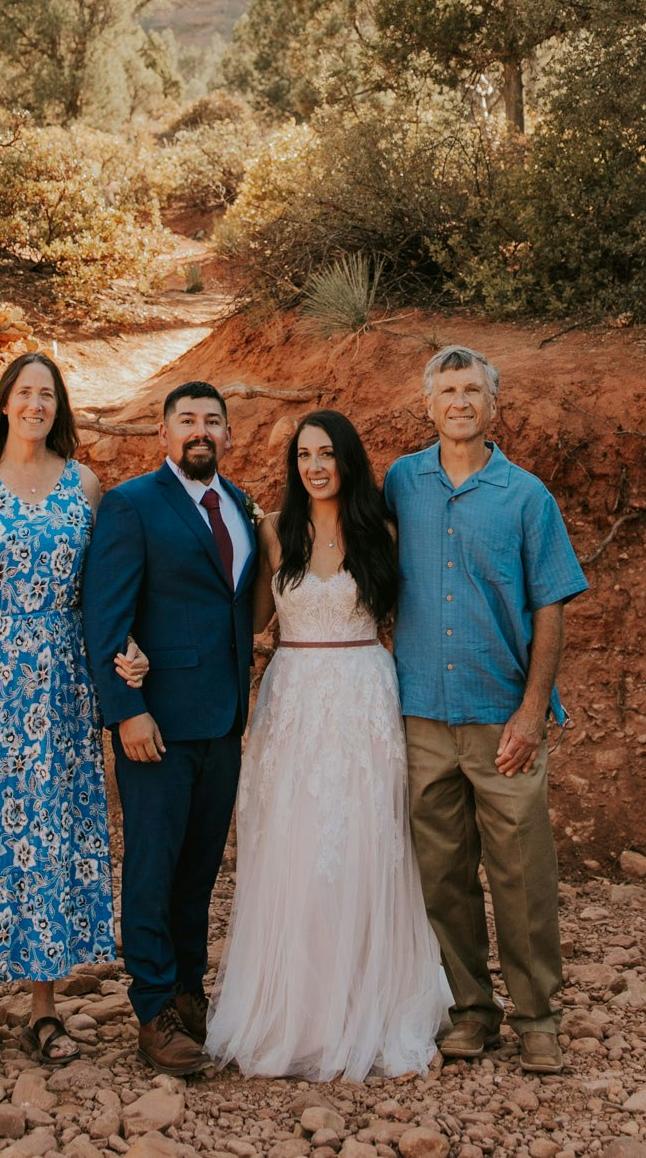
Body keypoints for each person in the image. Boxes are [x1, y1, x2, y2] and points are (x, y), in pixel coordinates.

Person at [0, 350, 144, 1071]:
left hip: (59, 691)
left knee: (48, 839)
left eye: (48, 395)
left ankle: (45, 1009)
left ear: (58, 408)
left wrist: (130, 648)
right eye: (25, 393)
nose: (37, 405)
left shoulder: (87, 485)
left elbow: (106, 595)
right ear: (6, 403)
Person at [205, 410, 447, 1081]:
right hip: (293, 700)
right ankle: (295, 1011)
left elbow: (419, 617)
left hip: (364, 697)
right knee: (294, 845)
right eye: (305, 455)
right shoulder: (276, 533)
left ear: (347, 461)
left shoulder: (383, 533)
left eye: (327, 454)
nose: (315, 466)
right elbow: (250, 618)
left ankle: (365, 1004)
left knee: (367, 843)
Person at [385, 345, 588, 1077]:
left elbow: (551, 607)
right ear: (429, 403)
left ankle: (539, 1017)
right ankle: (471, 1011)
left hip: (503, 718)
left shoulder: (527, 496)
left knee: (522, 876)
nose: (461, 401)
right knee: (442, 876)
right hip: (422, 719)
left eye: (473, 390)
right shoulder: (400, 483)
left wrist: (533, 712)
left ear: (493, 405)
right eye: (448, 390)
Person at [82, 380, 259, 1077]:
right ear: (162, 434)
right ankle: (152, 1012)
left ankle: (189, 997)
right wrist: (126, 712)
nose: (200, 431)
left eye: (212, 421)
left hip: (223, 722)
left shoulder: (239, 505)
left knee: (198, 873)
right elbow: (105, 619)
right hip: (154, 724)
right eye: (186, 420)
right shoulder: (132, 505)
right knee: (153, 871)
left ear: (227, 434)